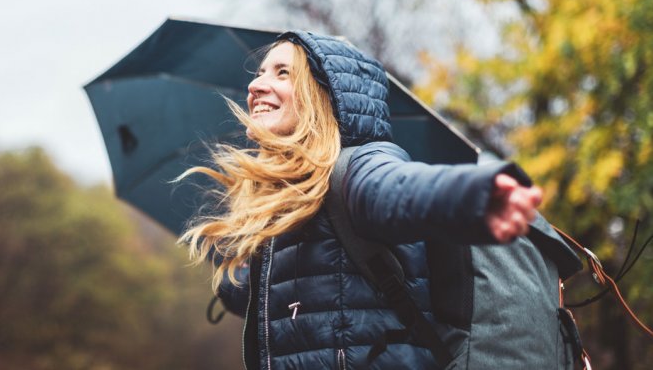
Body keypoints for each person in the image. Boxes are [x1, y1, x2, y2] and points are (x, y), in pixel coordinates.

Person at [178, 31, 582, 369]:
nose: (256, 84)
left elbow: (402, 190)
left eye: (283, 73)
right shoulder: (288, 200)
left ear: (326, 96)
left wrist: (475, 195)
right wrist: (235, 270)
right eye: (261, 72)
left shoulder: (357, 167)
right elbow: (276, 293)